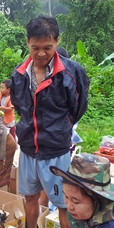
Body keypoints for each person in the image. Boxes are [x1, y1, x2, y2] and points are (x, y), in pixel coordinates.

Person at [10, 15, 90, 228]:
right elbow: (20, 106)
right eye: (35, 47)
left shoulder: (71, 73)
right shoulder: (18, 74)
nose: (41, 53)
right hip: (27, 148)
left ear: (57, 41)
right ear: (27, 42)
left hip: (55, 150)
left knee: (64, 204)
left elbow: (78, 107)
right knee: (30, 197)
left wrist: (59, 127)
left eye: (48, 47)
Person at [38, 47, 83, 208]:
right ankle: (46, 205)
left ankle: (52, 205)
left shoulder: (67, 83)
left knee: (54, 173)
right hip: (55, 139)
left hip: (60, 139)